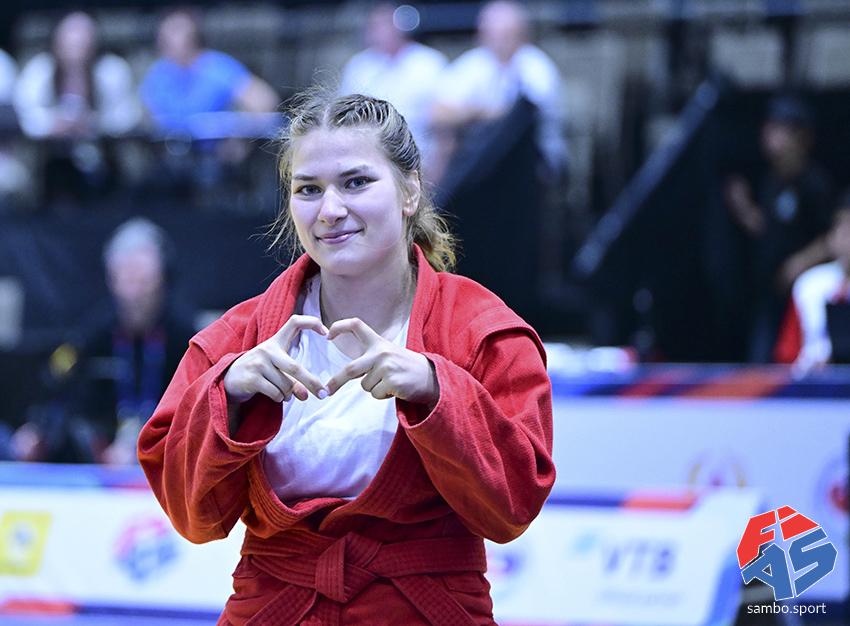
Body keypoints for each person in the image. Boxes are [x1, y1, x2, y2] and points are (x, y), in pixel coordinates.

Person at [138, 91, 555, 624]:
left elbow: (513, 508)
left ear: (410, 190)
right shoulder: (237, 342)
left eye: (356, 182)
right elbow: (191, 518)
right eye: (308, 189)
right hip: (275, 609)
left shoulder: (482, 331)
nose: (331, 210)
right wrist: (227, 397)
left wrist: (437, 390)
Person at [724, 94, 835, 362]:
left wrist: (800, 262)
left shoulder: (814, 183)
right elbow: (771, 230)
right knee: (759, 363)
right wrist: (744, 210)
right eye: (768, 128)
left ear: (801, 136)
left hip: (801, 297)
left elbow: (832, 236)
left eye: (779, 129)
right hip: (768, 294)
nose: (769, 136)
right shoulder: (771, 181)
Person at [431, 0, 567, 180]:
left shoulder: (536, 65)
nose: (497, 41)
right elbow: (438, 113)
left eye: (505, 34)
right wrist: (479, 113)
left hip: (534, 159)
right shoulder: (477, 62)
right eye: (490, 33)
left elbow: (521, 118)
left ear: (522, 34)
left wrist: (472, 114)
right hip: (485, 155)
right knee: (446, 139)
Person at [340, 2, 446, 169]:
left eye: (386, 23)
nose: (380, 30)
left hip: (421, 157)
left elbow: (443, 121)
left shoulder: (429, 62)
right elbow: (345, 117)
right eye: (375, 25)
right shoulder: (358, 65)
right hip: (367, 156)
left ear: (403, 24)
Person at [140, 8, 278, 132]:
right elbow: (146, 117)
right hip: (169, 148)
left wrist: (236, 130)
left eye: (177, 32)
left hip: (215, 149)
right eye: (165, 38)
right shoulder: (158, 73)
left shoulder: (217, 67)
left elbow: (265, 103)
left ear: (194, 38)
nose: (170, 41)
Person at [781, 197, 850, 371]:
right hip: (814, 380)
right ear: (831, 238)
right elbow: (787, 354)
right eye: (843, 230)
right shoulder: (809, 285)